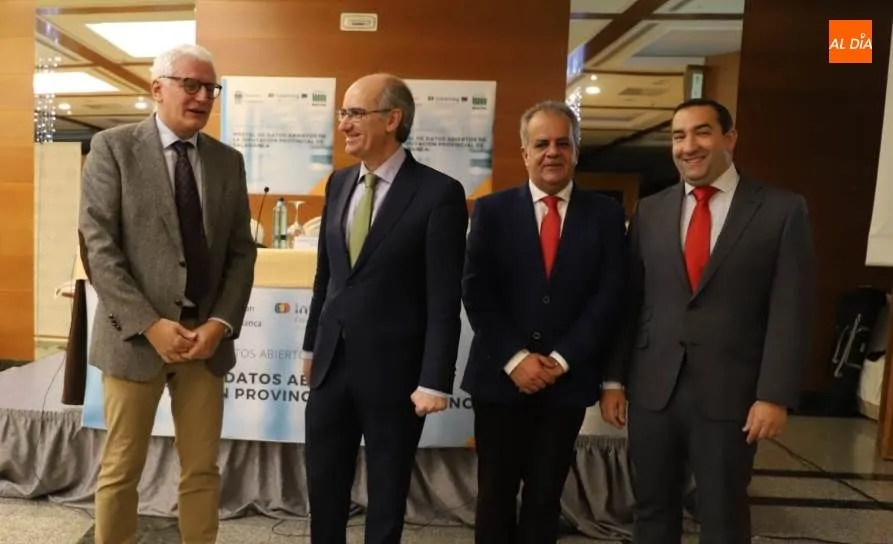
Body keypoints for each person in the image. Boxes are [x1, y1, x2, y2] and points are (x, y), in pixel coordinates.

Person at [600, 98, 816, 544]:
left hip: (731, 393)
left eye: (701, 132)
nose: (688, 146)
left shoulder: (781, 210)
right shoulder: (650, 210)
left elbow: (790, 309)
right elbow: (631, 303)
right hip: (654, 389)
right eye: (678, 136)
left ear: (729, 138)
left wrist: (773, 395)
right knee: (652, 508)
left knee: (723, 511)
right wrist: (614, 380)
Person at [78, 44, 257, 544]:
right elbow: (99, 248)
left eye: (210, 89)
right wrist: (150, 324)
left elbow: (241, 253)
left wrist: (220, 323)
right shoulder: (113, 149)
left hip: (205, 343)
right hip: (136, 341)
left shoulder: (227, 161)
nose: (202, 97)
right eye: (191, 85)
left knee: (202, 469)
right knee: (121, 468)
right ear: (157, 88)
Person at [300, 73, 468, 544]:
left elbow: (444, 297)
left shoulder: (438, 193)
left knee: (387, 496)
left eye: (355, 113)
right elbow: (326, 278)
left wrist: (435, 379)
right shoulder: (338, 183)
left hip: (396, 374)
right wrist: (311, 347)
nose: (344, 125)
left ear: (393, 119)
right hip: (332, 366)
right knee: (324, 489)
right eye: (343, 114)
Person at [461, 101, 628, 544]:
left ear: (576, 151)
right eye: (541, 144)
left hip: (565, 382)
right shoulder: (491, 211)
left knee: (545, 497)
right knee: (494, 495)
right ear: (525, 153)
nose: (552, 152)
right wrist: (516, 359)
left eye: (562, 143)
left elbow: (610, 296)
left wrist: (562, 359)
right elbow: (476, 292)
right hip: (500, 379)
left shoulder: (606, 215)